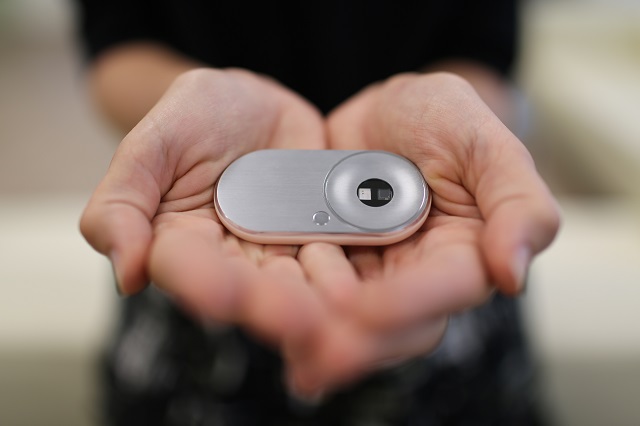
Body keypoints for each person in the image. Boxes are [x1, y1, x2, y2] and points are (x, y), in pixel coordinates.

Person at [76, 1, 560, 425]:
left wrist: (458, 119)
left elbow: (487, 55)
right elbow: (116, 48)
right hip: (197, 235)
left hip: (442, 233)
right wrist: (180, 109)